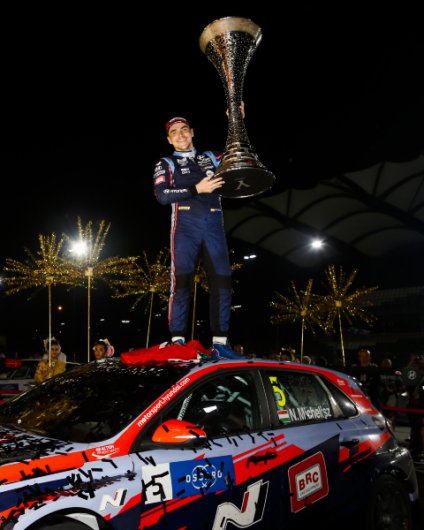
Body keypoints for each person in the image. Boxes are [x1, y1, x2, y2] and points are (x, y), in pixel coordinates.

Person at [153, 114, 240, 359]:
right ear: (169, 140)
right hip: (184, 229)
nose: (180, 135)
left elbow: (238, 151)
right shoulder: (166, 162)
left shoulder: (210, 157)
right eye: (174, 132)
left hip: (214, 227)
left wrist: (236, 118)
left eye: (184, 129)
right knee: (181, 284)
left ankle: (220, 344)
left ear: (192, 132)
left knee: (223, 283)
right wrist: (197, 189)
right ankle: (177, 342)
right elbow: (162, 195)